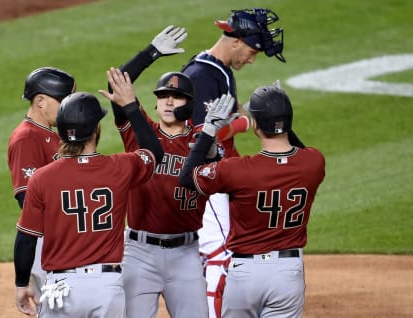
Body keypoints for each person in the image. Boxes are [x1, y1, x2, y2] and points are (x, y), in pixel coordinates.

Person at [13, 86, 164, 317]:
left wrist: (22, 283)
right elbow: (154, 151)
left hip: (60, 287)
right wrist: (131, 107)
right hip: (106, 287)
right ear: (96, 129)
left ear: (61, 131)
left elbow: (26, 238)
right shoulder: (121, 167)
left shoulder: (41, 178)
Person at [179, 84, 325, 317]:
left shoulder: (239, 171)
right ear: (288, 121)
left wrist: (208, 131)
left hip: (246, 274)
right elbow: (299, 151)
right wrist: (279, 112)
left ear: (255, 125)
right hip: (289, 273)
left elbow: (187, 178)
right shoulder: (314, 163)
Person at [180, 8, 286, 317]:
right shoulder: (201, 75)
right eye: (252, 52)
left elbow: (226, 123)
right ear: (236, 41)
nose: (252, 60)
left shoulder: (218, 71)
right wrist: (240, 123)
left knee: (209, 257)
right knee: (221, 255)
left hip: (217, 176)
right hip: (205, 179)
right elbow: (199, 138)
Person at [100, 26, 209, 318]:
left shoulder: (203, 140)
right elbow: (116, 88)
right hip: (139, 252)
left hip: (186, 252)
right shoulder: (141, 131)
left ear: (190, 104)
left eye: (177, 96)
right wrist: (151, 53)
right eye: (163, 96)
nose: (169, 101)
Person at [7, 66, 76, 308]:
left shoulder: (53, 134)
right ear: (40, 101)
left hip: (65, 240)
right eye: (63, 101)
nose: (68, 107)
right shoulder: (27, 138)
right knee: (57, 309)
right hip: (48, 245)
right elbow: (27, 201)